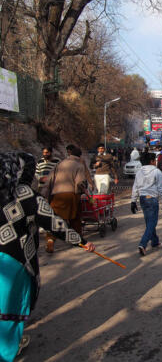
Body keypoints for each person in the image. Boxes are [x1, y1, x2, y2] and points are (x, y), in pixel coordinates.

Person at [0, 153, 95, 361]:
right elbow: (54, 223)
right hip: (14, 261)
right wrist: (81, 241)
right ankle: (6, 351)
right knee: (9, 307)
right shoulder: (24, 194)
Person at [131, 153, 162, 256]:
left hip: (143, 199)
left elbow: (135, 187)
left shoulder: (139, 172)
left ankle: (155, 242)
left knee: (149, 222)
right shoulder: (157, 172)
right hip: (152, 199)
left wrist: (133, 201)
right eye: (155, 160)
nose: (156, 162)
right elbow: (161, 188)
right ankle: (143, 244)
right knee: (152, 223)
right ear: (152, 161)